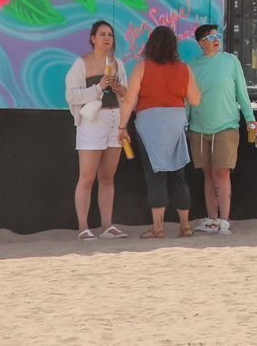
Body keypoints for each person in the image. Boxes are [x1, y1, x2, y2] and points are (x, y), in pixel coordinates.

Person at [118, 24, 202, 239]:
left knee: (155, 175)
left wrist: (122, 127)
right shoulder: (184, 68)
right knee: (178, 175)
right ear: (174, 45)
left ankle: (159, 228)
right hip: (175, 124)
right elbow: (195, 100)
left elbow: (129, 100)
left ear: (150, 44)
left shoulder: (142, 66)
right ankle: (185, 226)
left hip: (149, 124)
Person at [186, 22, 257, 235]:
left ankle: (224, 220)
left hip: (226, 126)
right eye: (210, 37)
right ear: (201, 43)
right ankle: (212, 219)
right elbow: (188, 100)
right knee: (208, 174)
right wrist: (184, 123)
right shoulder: (191, 66)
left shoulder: (231, 61)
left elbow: (242, 94)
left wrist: (250, 119)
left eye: (217, 36)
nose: (216, 39)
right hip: (198, 128)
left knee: (222, 172)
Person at [67, 19, 128, 240]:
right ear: (93, 38)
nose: (106, 38)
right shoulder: (81, 63)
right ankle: (83, 227)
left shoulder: (118, 64)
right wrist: (98, 87)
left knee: (108, 177)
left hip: (114, 120)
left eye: (110, 34)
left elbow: (126, 97)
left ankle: (107, 226)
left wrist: (121, 90)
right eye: (102, 34)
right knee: (87, 177)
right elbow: (71, 94)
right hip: (92, 122)